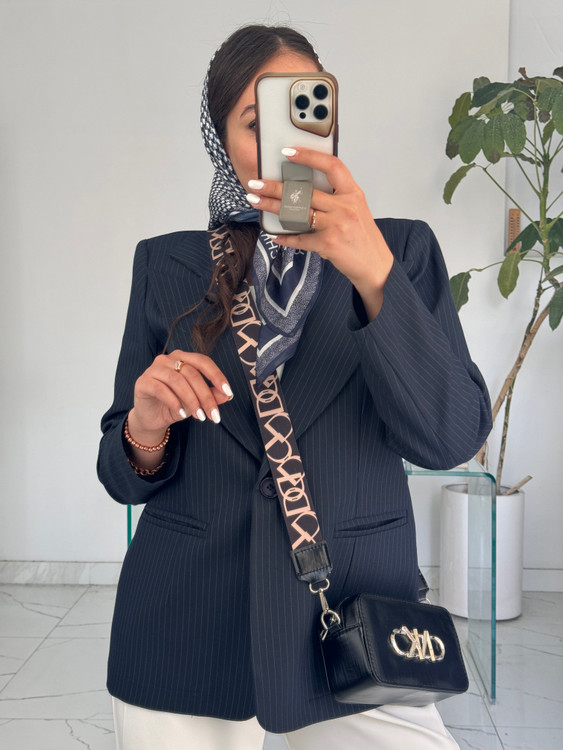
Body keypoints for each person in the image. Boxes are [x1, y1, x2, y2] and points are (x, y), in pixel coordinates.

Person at [98, 23, 491, 750]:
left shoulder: (401, 250)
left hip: (354, 621)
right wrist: (143, 429)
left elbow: (450, 438)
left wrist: (372, 272)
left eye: (305, 109)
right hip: (184, 622)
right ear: (221, 141)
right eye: (256, 122)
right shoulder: (166, 266)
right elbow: (122, 476)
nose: (287, 141)